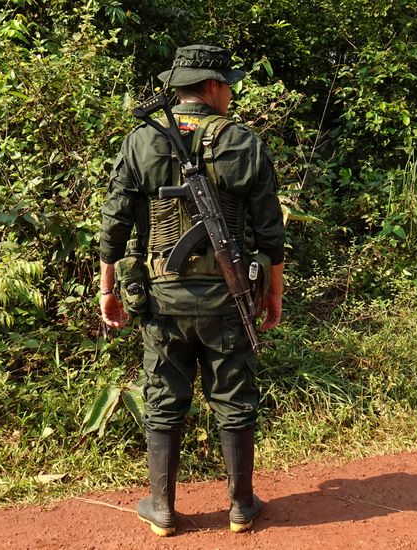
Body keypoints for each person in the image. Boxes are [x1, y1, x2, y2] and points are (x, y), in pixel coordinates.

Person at [98, 45, 285, 537]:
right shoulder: (244, 142)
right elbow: (270, 230)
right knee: (235, 395)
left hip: (162, 298)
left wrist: (107, 289)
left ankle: (162, 509)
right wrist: (273, 294)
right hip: (229, 297)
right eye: (227, 84)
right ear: (212, 86)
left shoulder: (141, 141)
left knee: (164, 396)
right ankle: (241, 506)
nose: (230, 92)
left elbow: (114, 224)